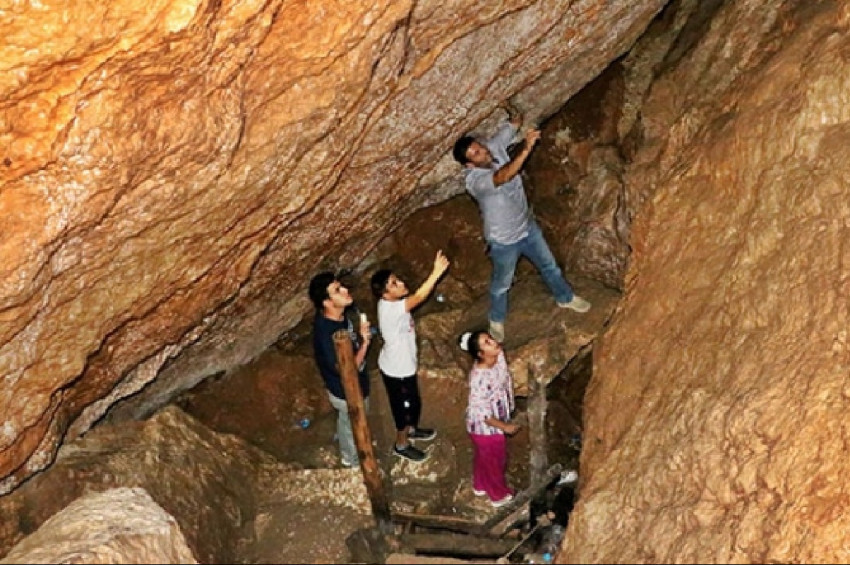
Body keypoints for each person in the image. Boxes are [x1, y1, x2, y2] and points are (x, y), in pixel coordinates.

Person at [452, 106, 591, 342]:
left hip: (527, 227)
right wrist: (527, 147)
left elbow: (515, 122)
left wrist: (510, 107)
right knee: (502, 284)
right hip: (503, 241)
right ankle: (496, 318)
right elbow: (504, 175)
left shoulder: (493, 148)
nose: (483, 152)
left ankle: (565, 297)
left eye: (480, 147)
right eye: (476, 153)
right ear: (470, 165)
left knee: (550, 266)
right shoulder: (475, 182)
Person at [370, 250, 451, 463]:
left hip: (403, 365)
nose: (401, 283)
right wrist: (436, 273)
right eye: (394, 284)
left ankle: (412, 430)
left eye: (397, 279)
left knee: (413, 403)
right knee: (404, 409)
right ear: (385, 294)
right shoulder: (391, 310)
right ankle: (401, 444)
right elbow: (419, 297)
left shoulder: (391, 304)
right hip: (397, 371)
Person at [309, 272, 372, 468]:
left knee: (353, 420)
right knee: (351, 423)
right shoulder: (326, 333)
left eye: (341, 286)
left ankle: (356, 448)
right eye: (337, 290)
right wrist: (365, 343)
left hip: (357, 383)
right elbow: (346, 370)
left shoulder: (340, 316)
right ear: (327, 302)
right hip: (345, 392)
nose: (345, 290)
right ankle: (351, 459)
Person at [459, 328, 519, 507]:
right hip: (485, 429)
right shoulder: (479, 379)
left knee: (484, 457)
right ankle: (498, 496)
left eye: (490, 338)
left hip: (494, 421)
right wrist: (504, 427)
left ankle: (480, 485)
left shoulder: (497, 356)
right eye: (487, 343)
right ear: (480, 354)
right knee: (495, 462)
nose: (493, 342)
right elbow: (482, 414)